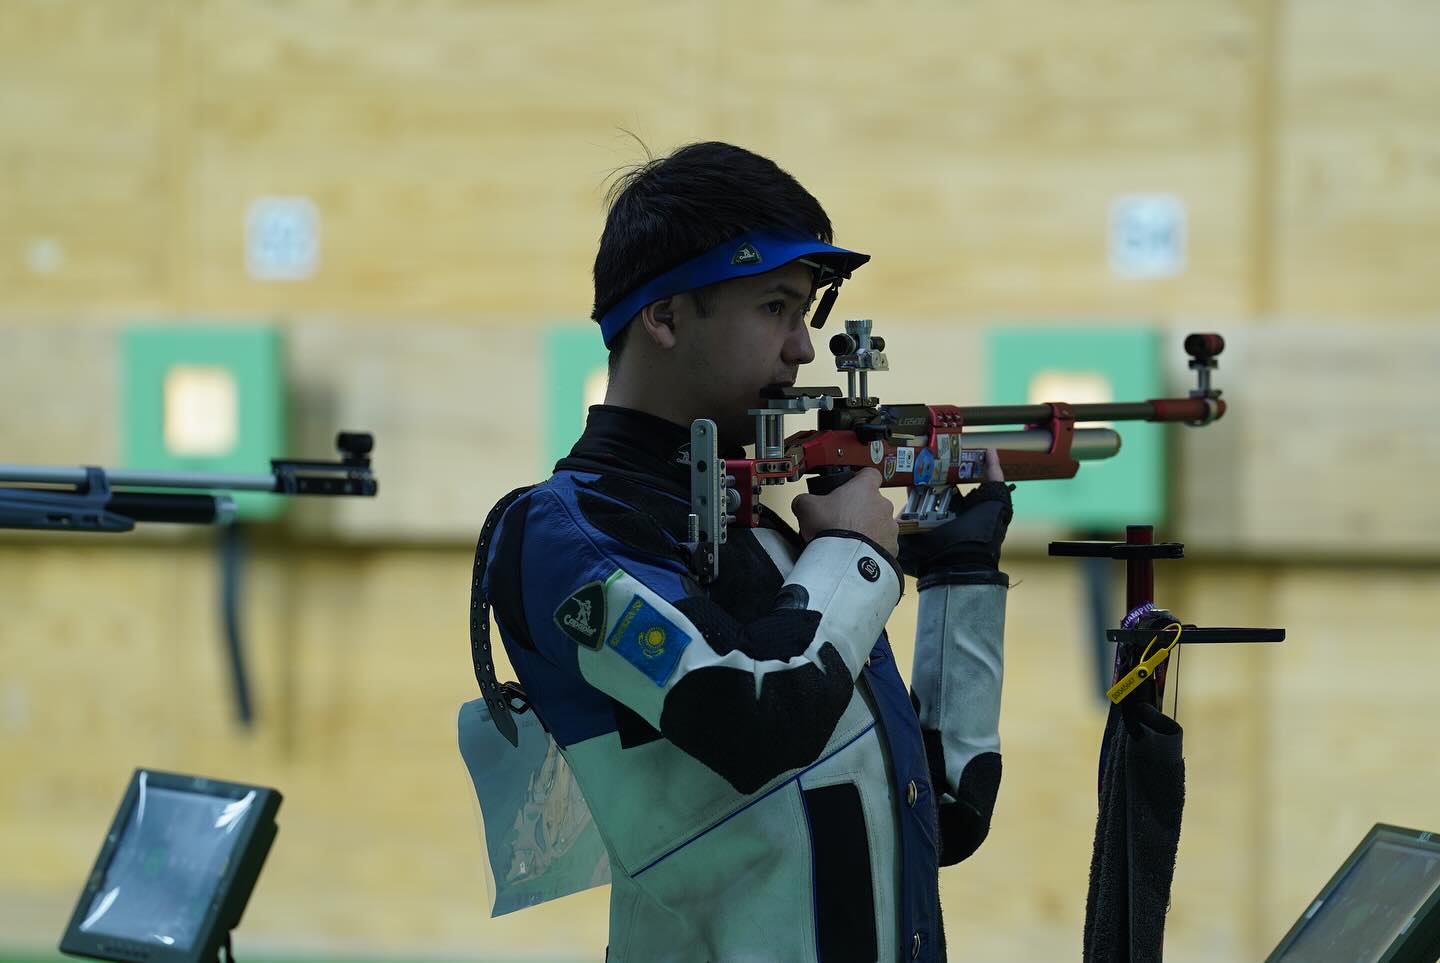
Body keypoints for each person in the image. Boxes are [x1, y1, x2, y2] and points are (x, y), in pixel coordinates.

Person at [476, 141, 1012, 962]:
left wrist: (960, 576)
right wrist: (857, 555)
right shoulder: (560, 533)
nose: (803, 348)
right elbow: (758, 718)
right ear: (664, 316)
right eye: (775, 307)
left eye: (806, 313)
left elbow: (942, 809)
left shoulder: (766, 535)